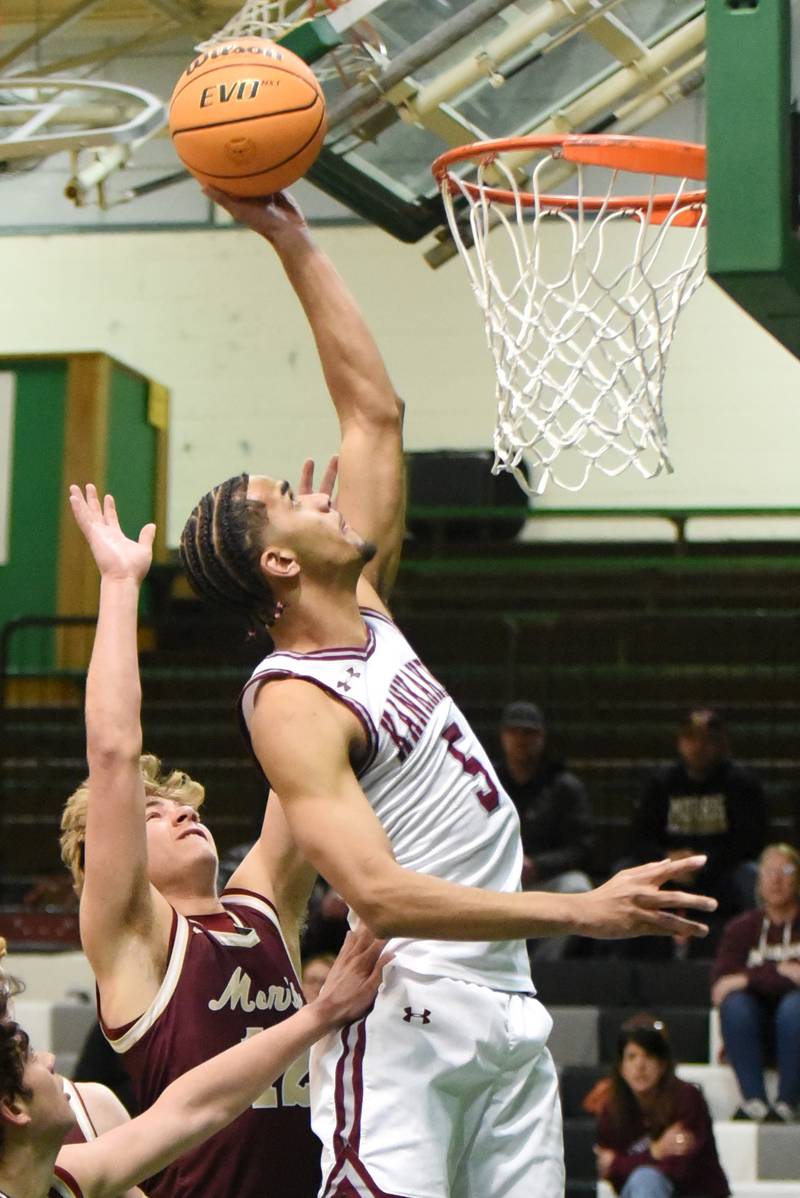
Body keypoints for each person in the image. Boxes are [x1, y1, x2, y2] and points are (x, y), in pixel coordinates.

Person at [178, 188, 716, 1198]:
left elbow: (373, 412)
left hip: (502, 1005)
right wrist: (586, 912)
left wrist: (292, 239)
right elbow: (374, 893)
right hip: (408, 1016)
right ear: (281, 567)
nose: (315, 490)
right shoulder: (289, 699)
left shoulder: (364, 602)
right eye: (287, 501)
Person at [60, 484, 323, 1198]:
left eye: (184, 806)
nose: (182, 814)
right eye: (153, 814)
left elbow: (312, 758)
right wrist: (119, 584)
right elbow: (114, 753)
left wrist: (311, 582)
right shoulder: (134, 936)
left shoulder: (263, 909)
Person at [0, 929, 386, 1198]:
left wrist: (322, 1014)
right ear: (13, 1108)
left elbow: (194, 1108)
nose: (51, 1061)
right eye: (32, 1058)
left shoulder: (60, 1177)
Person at [630, 707, 766, 920]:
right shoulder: (660, 783)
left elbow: (750, 841)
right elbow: (639, 838)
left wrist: (703, 862)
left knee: (752, 876)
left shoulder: (742, 783)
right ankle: (615, 952)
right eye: (690, 738)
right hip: (667, 867)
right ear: (679, 742)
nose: (698, 746)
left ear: (722, 744)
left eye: (707, 740)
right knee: (624, 872)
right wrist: (668, 860)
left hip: (724, 868)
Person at [495, 700, 593, 959]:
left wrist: (537, 865)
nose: (521, 739)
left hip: (545, 880)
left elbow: (581, 848)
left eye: (529, 733)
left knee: (578, 887)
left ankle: (542, 966)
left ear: (542, 738)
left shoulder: (564, 787)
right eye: (514, 732)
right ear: (503, 736)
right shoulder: (488, 782)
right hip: (497, 879)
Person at [710, 842, 800, 1122]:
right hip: (752, 1032)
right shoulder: (741, 929)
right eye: (769, 871)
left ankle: (788, 1102)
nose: (776, 879)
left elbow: (733, 980)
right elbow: (720, 988)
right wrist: (782, 973)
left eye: (785, 870)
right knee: (735, 1005)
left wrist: (747, 977)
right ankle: (754, 1101)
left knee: (794, 1007)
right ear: (758, 881)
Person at [594, 1018, 730, 1198]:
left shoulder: (687, 1098)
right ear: (621, 1067)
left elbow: (680, 1167)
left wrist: (620, 1163)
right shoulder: (612, 1108)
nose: (640, 1066)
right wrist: (655, 1151)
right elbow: (610, 1174)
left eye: (648, 1057)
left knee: (646, 1179)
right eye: (632, 1057)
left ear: (662, 1065)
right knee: (643, 1180)